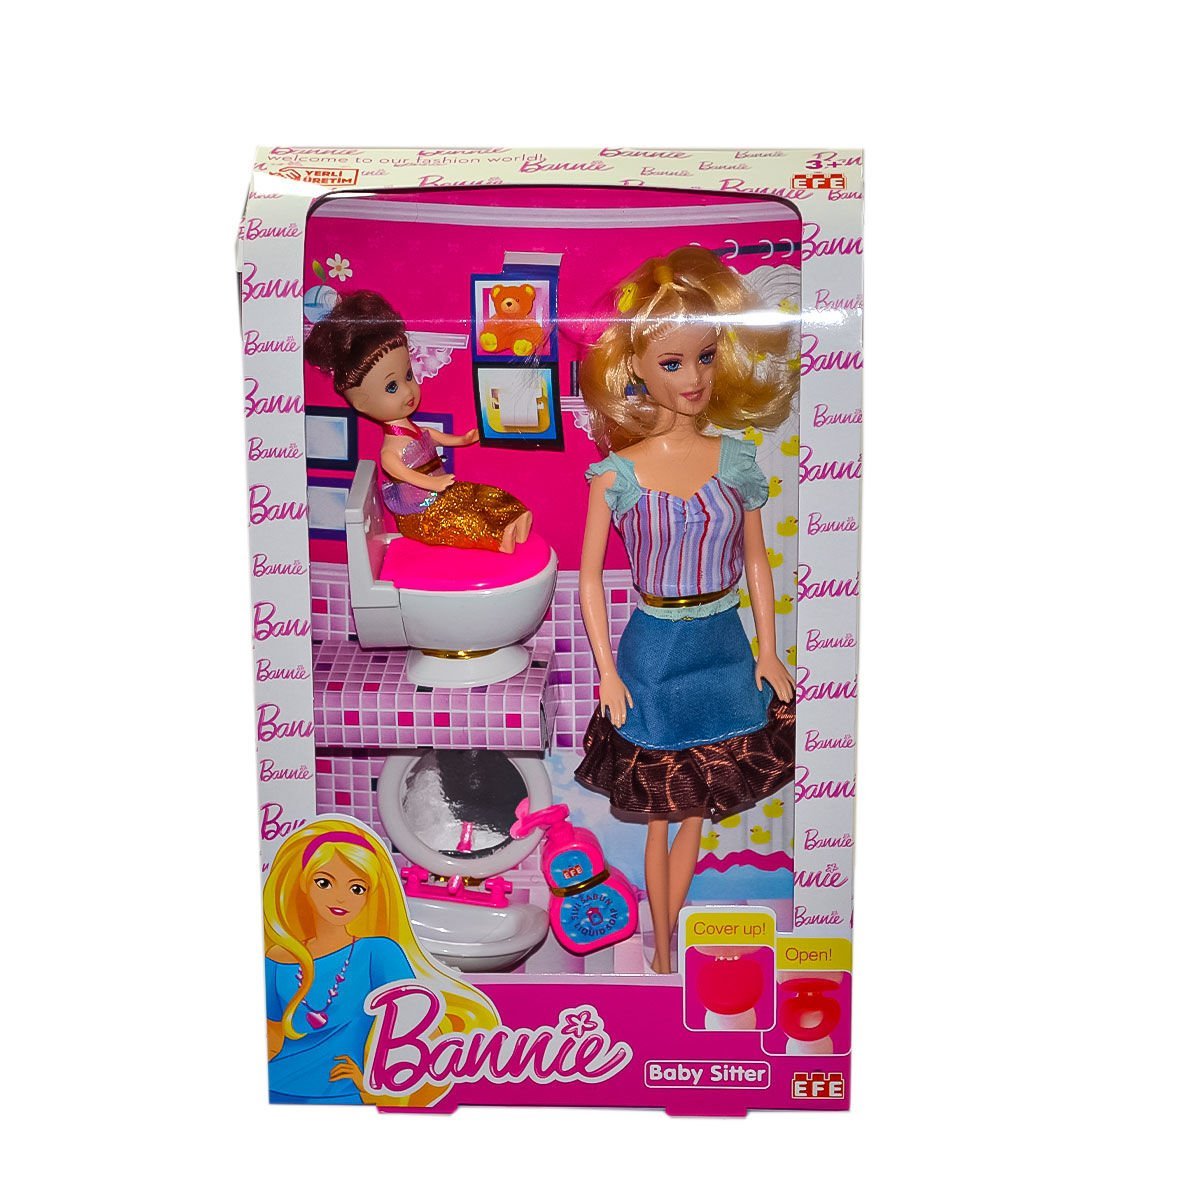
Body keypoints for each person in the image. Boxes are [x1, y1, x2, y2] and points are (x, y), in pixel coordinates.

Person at [574, 247, 798, 974]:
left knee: (695, 807)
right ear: (636, 369)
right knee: (659, 812)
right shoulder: (616, 474)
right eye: (672, 363)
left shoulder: (735, 459)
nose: (694, 378)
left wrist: (769, 649)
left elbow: (757, 560)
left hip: (723, 645)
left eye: (704, 357)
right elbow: (588, 578)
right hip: (654, 651)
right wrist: (608, 672)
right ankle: (663, 948)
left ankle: (668, 948)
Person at [263, 818, 498, 1105]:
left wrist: (373, 1085)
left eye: (357, 888)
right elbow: (271, 1034)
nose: (341, 898)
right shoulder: (278, 958)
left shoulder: (377, 952)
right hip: (278, 1088)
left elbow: (420, 1029)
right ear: (304, 884)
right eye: (324, 883)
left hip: (344, 1092)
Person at [305, 290, 533, 553]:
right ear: (362, 404)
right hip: (421, 515)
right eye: (392, 387)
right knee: (462, 522)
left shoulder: (415, 430)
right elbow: (405, 474)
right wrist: (432, 483)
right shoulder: (389, 452)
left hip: (445, 495)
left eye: (408, 376)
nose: (408, 391)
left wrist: (463, 439)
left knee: (483, 495)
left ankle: (515, 518)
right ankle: (499, 538)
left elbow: (433, 437)